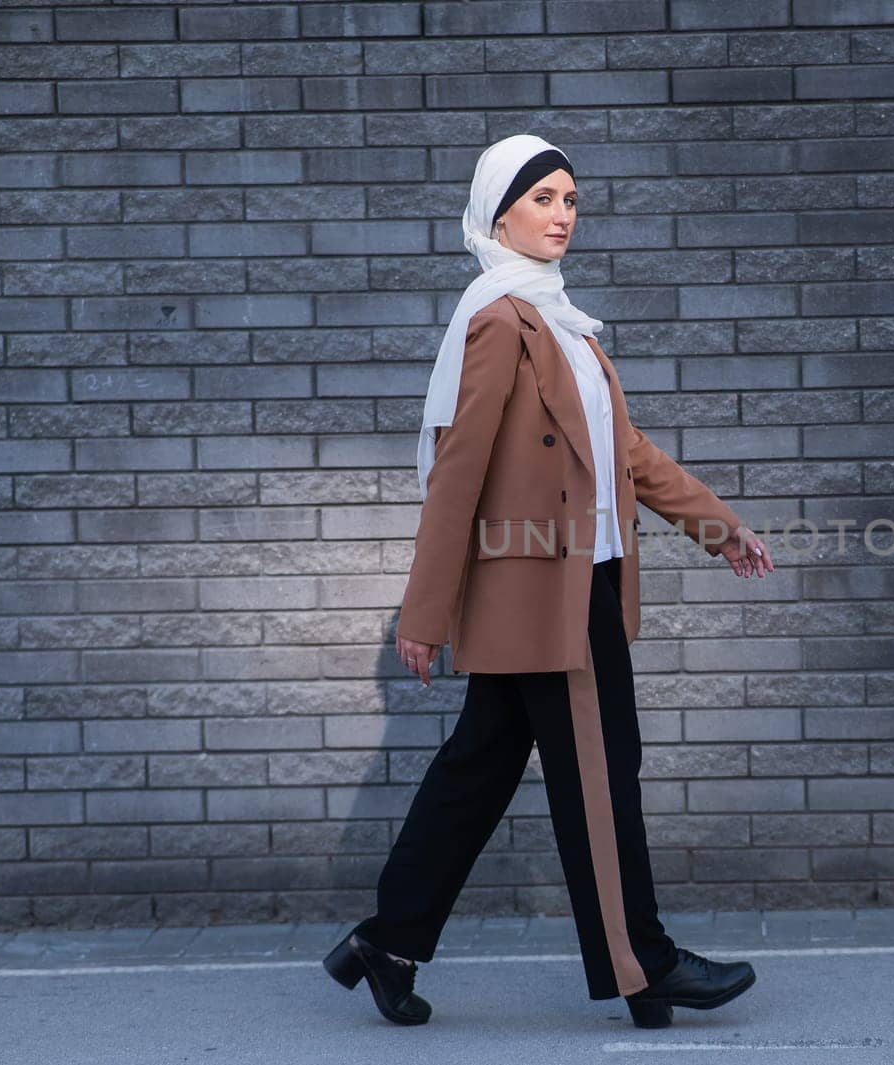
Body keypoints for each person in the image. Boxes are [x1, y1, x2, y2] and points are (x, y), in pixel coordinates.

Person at [323, 134, 776, 1030]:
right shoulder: (500, 320)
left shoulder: (563, 322)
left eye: (572, 199)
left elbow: (626, 454)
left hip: (583, 582)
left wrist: (718, 527)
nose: (563, 214)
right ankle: (643, 967)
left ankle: (389, 938)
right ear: (499, 213)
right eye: (543, 199)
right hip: (545, 597)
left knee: (477, 769)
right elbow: (458, 471)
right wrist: (425, 613)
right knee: (601, 776)